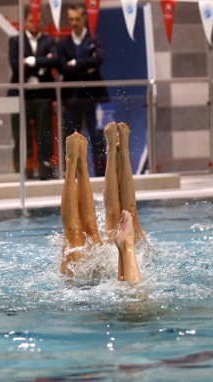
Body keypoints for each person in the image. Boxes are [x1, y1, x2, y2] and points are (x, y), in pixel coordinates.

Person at [60, 128, 141, 283]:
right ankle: (79, 162)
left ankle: (74, 163)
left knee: (76, 234)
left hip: (85, 286)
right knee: (91, 232)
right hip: (99, 283)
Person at [57, 4, 109, 177]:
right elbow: (62, 67)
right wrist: (86, 64)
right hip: (72, 98)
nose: (74, 23)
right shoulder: (64, 43)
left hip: (92, 97)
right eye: (71, 19)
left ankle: (101, 173)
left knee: (97, 136)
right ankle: (73, 175)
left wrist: (75, 64)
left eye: (77, 19)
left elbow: (99, 60)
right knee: (72, 137)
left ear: (84, 19)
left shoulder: (94, 40)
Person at [8, 8, 57, 180]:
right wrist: (42, 65)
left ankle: (45, 170)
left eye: (37, 20)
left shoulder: (49, 41)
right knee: (21, 133)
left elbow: (55, 60)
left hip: (43, 94)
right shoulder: (15, 41)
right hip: (22, 95)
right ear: (25, 21)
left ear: (41, 21)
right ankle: (24, 171)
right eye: (31, 20)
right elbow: (15, 64)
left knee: (45, 133)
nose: (34, 23)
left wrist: (30, 61)